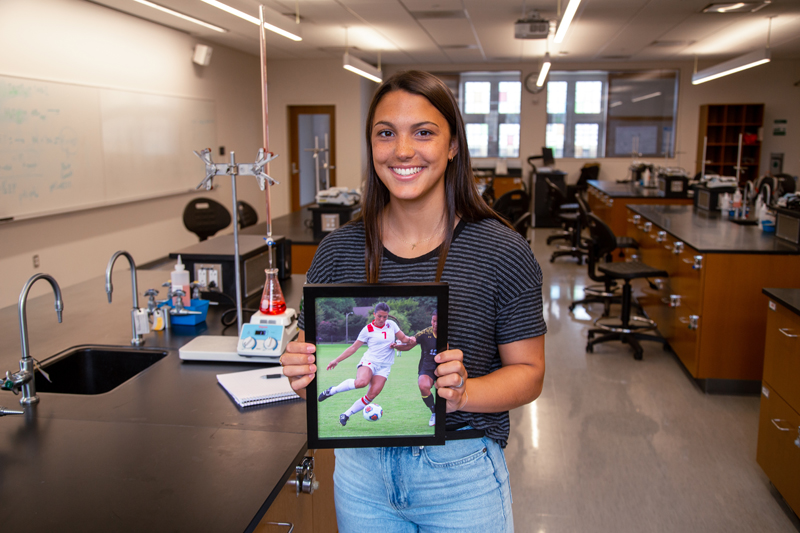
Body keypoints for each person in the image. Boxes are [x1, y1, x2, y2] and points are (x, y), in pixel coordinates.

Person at [281, 70, 546, 532]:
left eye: (423, 132)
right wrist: (299, 373)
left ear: (453, 145)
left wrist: (466, 394)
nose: (403, 150)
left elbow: (530, 374)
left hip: (460, 477)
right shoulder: (337, 252)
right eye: (386, 134)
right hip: (361, 476)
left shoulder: (501, 250)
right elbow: (308, 371)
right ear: (371, 146)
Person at [318, 302, 417, 426]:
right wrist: (336, 360)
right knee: (361, 383)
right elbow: (353, 348)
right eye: (379, 316)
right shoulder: (367, 329)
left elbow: (404, 339)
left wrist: (410, 339)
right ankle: (332, 390)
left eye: (385, 317)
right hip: (370, 361)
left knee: (372, 395)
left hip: (385, 366)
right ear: (374, 314)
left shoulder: (392, 325)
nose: (382, 319)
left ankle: (346, 414)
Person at [394, 310, 439, 427]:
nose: (435, 324)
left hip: (444, 368)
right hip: (427, 367)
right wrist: (396, 347)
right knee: (423, 386)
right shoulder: (425, 333)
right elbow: (409, 345)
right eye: (434, 321)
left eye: (438, 321)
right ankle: (434, 413)